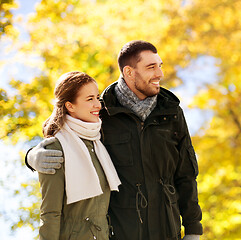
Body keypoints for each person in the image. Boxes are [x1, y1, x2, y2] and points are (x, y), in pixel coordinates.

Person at [26, 41, 203, 240]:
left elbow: (186, 173)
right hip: (120, 232)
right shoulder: (103, 111)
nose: (159, 74)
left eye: (159, 65)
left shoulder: (171, 112)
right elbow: (67, 135)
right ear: (129, 72)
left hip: (167, 230)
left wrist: (193, 229)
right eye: (151, 67)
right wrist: (31, 156)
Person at [37, 71, 121, 240]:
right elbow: (50, 213)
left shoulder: (98, 142)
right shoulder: (56, 148)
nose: (98, 105)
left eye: (97, 97)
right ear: (70, 106)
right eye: (90, 99)